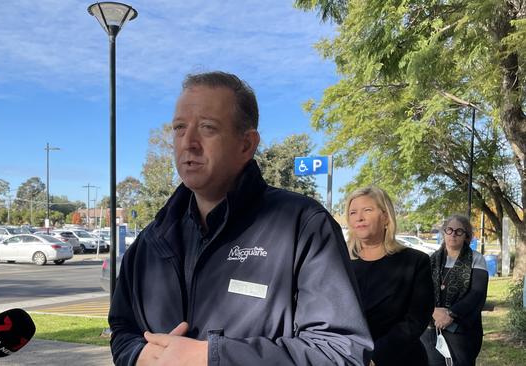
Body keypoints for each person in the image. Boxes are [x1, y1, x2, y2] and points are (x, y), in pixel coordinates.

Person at [109, 71, 373, 366]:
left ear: (246, 144)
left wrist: (213, 358)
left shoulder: (303, 226)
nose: (188, 142)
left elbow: (341, 352)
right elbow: (122, 330)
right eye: (179, 128)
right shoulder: (152, 239)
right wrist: (139, 355)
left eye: (207, 128)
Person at [346, 186, 434, 366]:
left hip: (400, 358)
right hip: (348, 358)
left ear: (386, 217)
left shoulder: (415, 262)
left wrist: (375, 357)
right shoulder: (339, 264)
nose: (359, 217)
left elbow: (417, 318)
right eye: (353, 212)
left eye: (367, 210)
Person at [420, 215, 488, 366]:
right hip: (431, 326)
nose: (453, 235)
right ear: (444, 233)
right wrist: (433, 311)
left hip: (461, 328)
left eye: (459, 231)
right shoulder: (431, 260)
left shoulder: (476, 259)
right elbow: (421, 292)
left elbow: (477, 294)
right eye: (449, 230)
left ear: (466, 236)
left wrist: (451, 314)